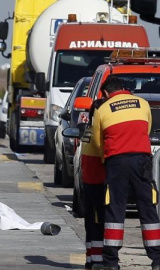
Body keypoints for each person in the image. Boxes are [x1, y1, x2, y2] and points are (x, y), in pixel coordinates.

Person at [91, 76, 160, 270]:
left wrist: (107, 161)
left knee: (115, 209)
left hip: (117, 162)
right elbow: (146, 130)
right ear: (123, 88)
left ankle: (111, 262)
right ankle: (157, 259)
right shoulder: (143, 104)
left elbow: (98, 142)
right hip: (141, 161)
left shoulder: (102, 109)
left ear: (105, 93)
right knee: (148, 209)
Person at [80, 98, 106, 270]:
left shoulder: (87, 131)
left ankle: (90, 258)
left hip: (87, 184)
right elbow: (105, 155)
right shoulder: (98, 134)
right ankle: (97, 260)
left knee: (90, 223)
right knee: (98, 223)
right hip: (98, 183)